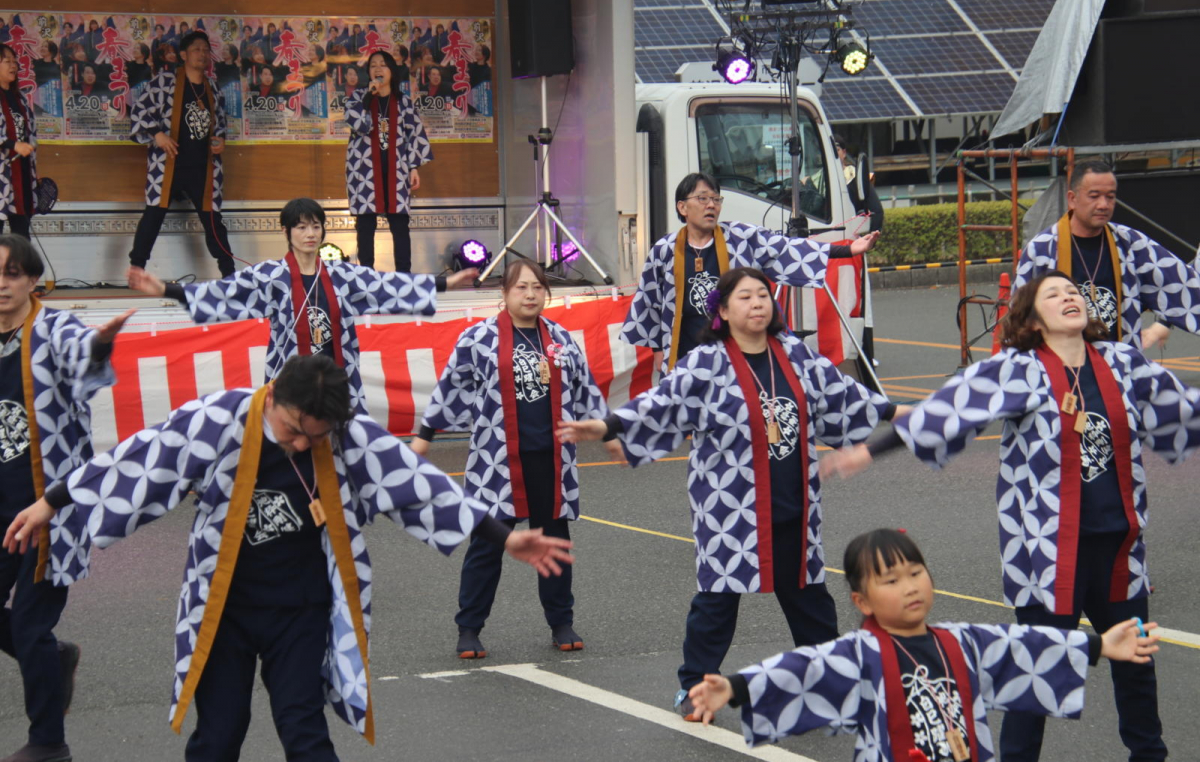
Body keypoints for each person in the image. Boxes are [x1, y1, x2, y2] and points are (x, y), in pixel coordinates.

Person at [3, 354, 573, 762]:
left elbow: (416, 482)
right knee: (219, 734)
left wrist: (503, 536)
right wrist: (53, 502)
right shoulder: (220, 419)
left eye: (315, 438)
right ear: (272, 395)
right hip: (224, 606)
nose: (303, 445)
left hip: (301, 609)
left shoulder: (345, 436)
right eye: (296, 431)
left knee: (302, 730)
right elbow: (142, 459)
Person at [821, 270, 1200, 761]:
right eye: (1053, 294)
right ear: (1033, 319)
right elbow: (947, 409)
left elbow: (1182, 411)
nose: (1069, 298)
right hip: (1049, 555)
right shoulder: (1019, 370)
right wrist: (868, 453)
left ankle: (1149, 756)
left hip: (1120, 548)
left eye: (1073, 292)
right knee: (1038, 676)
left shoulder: (1122, 362)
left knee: (1137, 666)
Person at [559, 266, 896, 720]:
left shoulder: (793, 353)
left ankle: (828, 684)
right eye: (744, 297)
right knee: (716, 603)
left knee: (811, 600)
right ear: (722, 310)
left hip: (795, 498)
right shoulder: (707, 362)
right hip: (731, 506)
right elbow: (661, 402)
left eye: (762, 295)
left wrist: (901, 413)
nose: (757, 303)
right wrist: (608, 425)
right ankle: (694, 688)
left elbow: (843, 394)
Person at [688, 529, 1162, 762]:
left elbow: (1025, 647)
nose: (910, 586)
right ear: (862, 600)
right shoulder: (859, 655)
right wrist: (733, 688)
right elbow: (803, 669)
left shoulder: (964, 642)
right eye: (891, 580)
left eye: (916, 574)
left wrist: (1099, 645)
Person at [411, 260, 617, 659]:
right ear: (504, 293)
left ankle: (561, 621)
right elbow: (449, 387)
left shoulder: (558, 338)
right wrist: (424, 436)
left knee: (554, 543)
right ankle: (469, 628)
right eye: (521, 287)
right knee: (487, 546)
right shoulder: (479, 338)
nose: (530, 295)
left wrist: (607, 431)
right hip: (496, 462)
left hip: (551, 460)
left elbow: (586, 387)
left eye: (538, 287)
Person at [127, 197, 477, 415]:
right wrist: (166, 290)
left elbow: (391, 286)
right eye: (301, 227)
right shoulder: (271, 276)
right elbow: (223, 294)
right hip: (291, 380)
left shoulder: (343, 275)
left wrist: (445, 282)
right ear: (286, 231)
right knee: (292, 457)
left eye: (315, 226)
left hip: (339, 379)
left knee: (343, 457)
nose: (310, 233)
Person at [0, 235, 133, 762]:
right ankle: (57, 660)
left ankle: (49, 744)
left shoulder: (53, 328)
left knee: (30, 626)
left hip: (46, 507)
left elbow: (84, 358)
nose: (3, 284)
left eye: (13, 273)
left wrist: (99, 346)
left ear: (33, 280)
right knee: (33, 640)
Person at [621, 172, 880, 374]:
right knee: (695, 420)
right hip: (684, 348)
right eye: (702, 198)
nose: (711, 205)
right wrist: (657, 349)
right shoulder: (663, 251)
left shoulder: (740, 238)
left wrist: (848, 251)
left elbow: (788, 249)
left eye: (716, 199)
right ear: (682, 207)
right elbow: (649, 302)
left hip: (734, 348)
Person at [1014, 159, 1200, 351]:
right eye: (1094, 196)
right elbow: (1019, 318)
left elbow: (1184, 286)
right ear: (1072, 199)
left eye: (1110, 197)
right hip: (1061, 367)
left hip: (1120, 364)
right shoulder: (1042, 249)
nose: (1103, 204)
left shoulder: (1132, 244)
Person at [128, 30, 235, 277]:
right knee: (153, 216)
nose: (202, 54)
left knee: (213, 221)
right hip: (168, 165)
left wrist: (221, 142)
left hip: (202, 166)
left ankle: (229, 275)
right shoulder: (165, 82)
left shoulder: (213, 88)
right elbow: (140, 111)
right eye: (196, 49)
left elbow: (219, 126)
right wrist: (158, 135)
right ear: (184, 55)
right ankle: (136, 270)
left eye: (206, 50)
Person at [344, 50, 432, 272]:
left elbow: (415, 135)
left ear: (392, 71)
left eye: (383, 65)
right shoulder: (358, 99)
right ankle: (365, 276)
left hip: (397, 169)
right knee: (365, 224)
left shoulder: (403, 102)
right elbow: (357, 123)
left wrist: (414, 168)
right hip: (364, 170)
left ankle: (404, 277)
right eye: (373, 65)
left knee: (399, 223)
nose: (378, 69)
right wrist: (368, 97)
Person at [0, 44, 37, 239]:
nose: (13, 65)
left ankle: (22, 269)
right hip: (1, 174)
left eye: (15, 61)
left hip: (20, 171)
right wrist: (12, 145)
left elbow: (30, 133)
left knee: (21, 232)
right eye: (7, 61)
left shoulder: (20, 98)